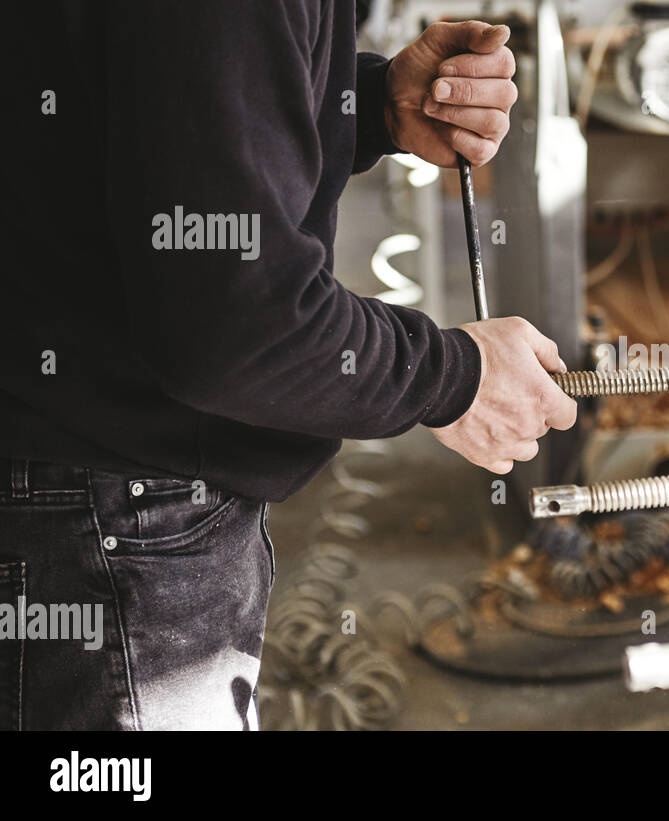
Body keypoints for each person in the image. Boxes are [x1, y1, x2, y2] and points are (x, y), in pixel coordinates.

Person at [0, 1, 577, 729]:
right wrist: (452, 377)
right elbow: (236, 326)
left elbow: (121, 104)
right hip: (108, 520)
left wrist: (364, 107)